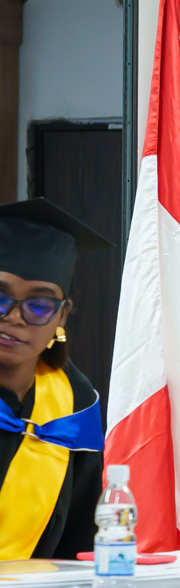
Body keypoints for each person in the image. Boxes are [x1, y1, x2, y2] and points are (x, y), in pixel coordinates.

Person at [0, 198, 111, 560]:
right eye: (0, 297)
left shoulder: (73, 404)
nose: (15, 317)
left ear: (62, 316)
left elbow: (80, 541)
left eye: (39, 305)